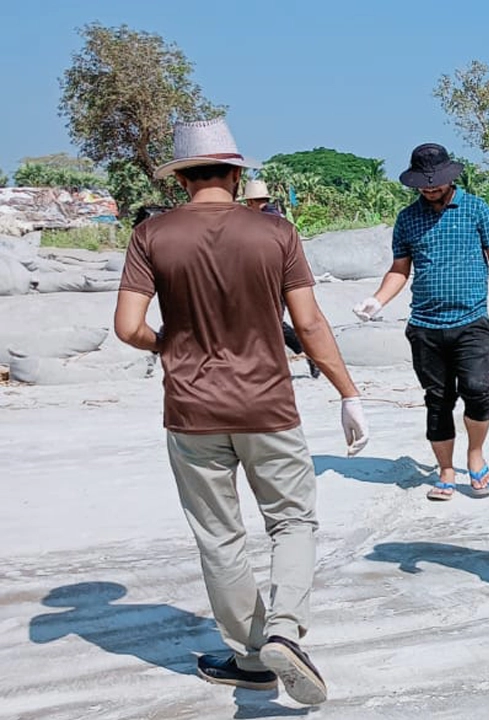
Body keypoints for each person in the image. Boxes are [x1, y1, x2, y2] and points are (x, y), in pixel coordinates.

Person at [113, 118, 371, 706]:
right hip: (268, 407)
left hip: (191, 412)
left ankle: (251, 659)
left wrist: (170, 345)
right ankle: (286, 629)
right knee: (292, 522)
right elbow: (307, 323)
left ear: (181, 180)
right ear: (235, 174)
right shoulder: (274, 233)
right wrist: (347, 393)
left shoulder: (151, 235)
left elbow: (128, 327)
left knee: (219, 536)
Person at [352, 143, 489, 501]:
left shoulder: (476, 209)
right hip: (425, 326)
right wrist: (377, 299)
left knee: (478, 392)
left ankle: (475, 456)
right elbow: (400, 269)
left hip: (471, 322)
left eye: (435, 183)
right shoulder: (407, 219)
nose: (430, 189)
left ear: (450, 177)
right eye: (423, 184)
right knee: (438, 400)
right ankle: (446, 471)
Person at [239, 178, 320, 378]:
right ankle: (308, 353)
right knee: (272, 321)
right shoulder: (279, 218)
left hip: (271, 277)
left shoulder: (261, 221)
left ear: (250, 202)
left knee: (270, 322)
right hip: (285, 275)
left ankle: (306, 354)